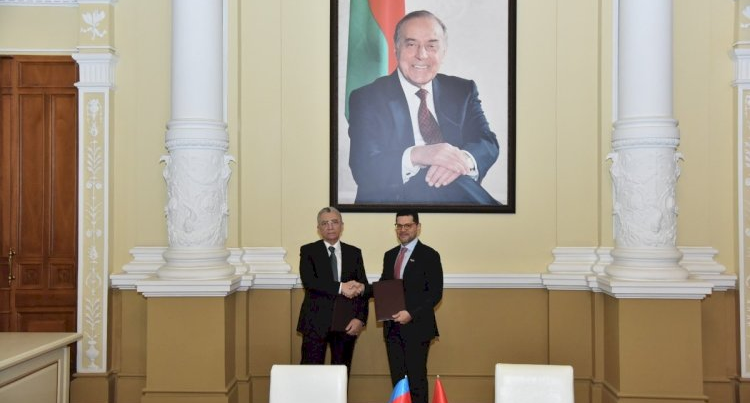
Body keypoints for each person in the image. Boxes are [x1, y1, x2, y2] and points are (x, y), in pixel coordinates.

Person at [348, 10, 500, 205]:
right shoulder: (367, 98)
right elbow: (364, 168)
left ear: (443, 52)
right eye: (411, 44)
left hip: (454, 193)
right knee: (438, 183)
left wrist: (458, 161)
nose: (421, 54)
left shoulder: (462, 90)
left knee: (447, 182)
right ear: (396, 48)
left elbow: (487, 142)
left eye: (431, 46)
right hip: (395, 201)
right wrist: (420, 155)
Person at [374, 210, 444, 403]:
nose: (403, 230)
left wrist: (411, 313)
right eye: (399, 226)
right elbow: (384, 286)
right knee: (398, 381)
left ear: (418, 227)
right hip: (393, 329)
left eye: (408, 225)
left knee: (416, 380)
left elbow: (435, 294)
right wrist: (361, 288)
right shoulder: (390, 255)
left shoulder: (429, 255)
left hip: (417, 328)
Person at [296, 207, 370, 375]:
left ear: (342, 226)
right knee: (310, 375)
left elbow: (362, 288)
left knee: (341, 375)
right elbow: (310, 282)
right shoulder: (308, 251)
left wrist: (360, 319)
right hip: (315, 324)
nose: (330, 227)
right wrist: (340, 287)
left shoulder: (354, 253)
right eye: (325, 223)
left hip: (346, 324)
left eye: (334, 222)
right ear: (318, 228)